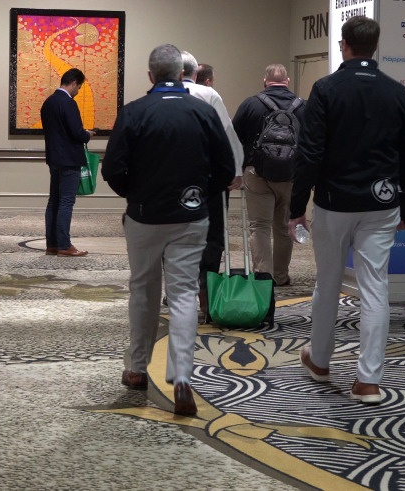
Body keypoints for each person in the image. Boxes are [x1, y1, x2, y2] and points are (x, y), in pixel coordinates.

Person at [288, 16, 405, 405]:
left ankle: (320, 361)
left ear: (343, 45)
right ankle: (368, 381)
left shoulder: (326, 89)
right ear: (374, 47)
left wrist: (297, 208)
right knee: (375, 287)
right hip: (382, 203)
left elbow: (310, 153)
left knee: (328, 282)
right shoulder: (397, 92)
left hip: (334, 202)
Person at [102, 44, 235, 416]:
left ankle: (137, 369)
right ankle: (182, 380)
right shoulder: (203, 111)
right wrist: (198, 196)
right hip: (191, 217)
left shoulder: (134, 112)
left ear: (150, 75)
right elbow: (226, 169)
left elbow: (112, 169)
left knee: (143, 290)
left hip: (144, 217)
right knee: (183, 296)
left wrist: (135, 195)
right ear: (181, 74)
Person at [181, 52, 243, 309]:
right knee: (212, 234)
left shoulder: (158, 97)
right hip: (209, 179)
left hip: (172, 180)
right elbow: (227, 132)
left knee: (176, 234)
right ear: (196, 74)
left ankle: (177, 288)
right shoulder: (209, 95)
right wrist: (236, 170)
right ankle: (206, 290)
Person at [232, 64, 303, 287]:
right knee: (283, 227)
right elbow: (313, 143)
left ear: (265, 81)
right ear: (287, 81)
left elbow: (234, 138)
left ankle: (264, 277)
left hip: (257, 174)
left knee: (259, 226)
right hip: (291, 176)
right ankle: (280, 276)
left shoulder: (250, 104)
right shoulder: (303, 106)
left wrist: (238, 170)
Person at [41, 68, 95, 257]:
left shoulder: (48, 102)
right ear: (73, 83)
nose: (78, 91)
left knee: (54, 201)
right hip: (70, 159)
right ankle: (64, 245)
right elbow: (76, 133)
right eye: (78, 87)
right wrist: (87, 134)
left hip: (54, 158)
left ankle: (52, 244)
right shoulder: (68, 103)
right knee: (66, 202)